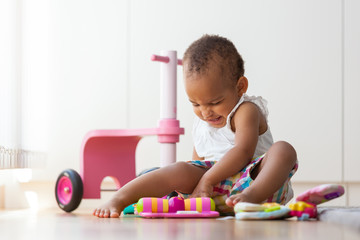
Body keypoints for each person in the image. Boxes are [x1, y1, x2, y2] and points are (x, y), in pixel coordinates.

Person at [93, 34, 298, 218]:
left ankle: (249, 199)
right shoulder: (203, 121)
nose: (206, 111)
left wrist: (208, 179)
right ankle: (119, 198)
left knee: (283, 149)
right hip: (212, 193)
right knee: (178, 169)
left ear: (240, 87)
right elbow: (197, 163)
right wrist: (194, 186)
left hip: (257, 183)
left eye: (215, 102)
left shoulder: (245, 110)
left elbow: (243, 152)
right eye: (195, 104)